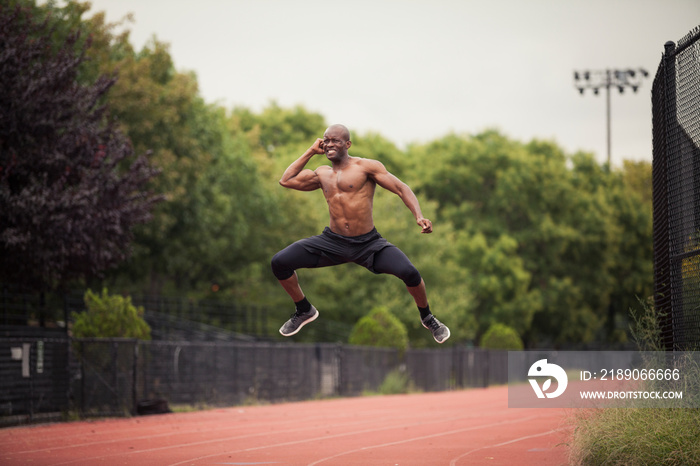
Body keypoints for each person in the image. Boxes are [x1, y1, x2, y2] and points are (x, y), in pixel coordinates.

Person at [270, 124, 450, 344]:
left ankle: (428, 317)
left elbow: (401, 188)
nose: (329, 144)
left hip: (368, 244)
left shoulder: (366, 167)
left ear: (348, 144)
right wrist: (309, 151)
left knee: (410, 273)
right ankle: (304, 309)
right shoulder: (321, 173)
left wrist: (418, 216)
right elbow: (286, 180)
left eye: (335, 140)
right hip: (332, 242)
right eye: (326, 140)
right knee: (279, 262)